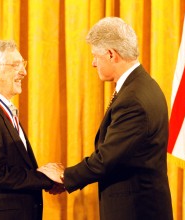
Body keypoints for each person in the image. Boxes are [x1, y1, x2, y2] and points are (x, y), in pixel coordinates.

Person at [38, 17, 173, 220]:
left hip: (136, 211)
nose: (93, 63)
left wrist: (65, 176)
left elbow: (106, 159)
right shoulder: (141, 86)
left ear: (111, 55)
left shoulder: (134, 99)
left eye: (95, 55)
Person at [0, 40, 64, 220]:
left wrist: (44, 177)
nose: (23, 72)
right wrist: (45, 178)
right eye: (16, 65)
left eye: (23, 64)